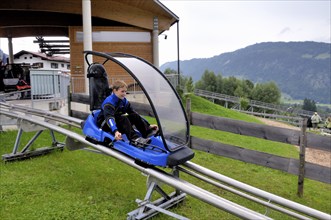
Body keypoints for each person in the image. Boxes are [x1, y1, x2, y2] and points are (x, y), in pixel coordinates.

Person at [97, 80, 158, 146]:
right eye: (122, 91)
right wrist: (115, 131)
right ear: (114, 91)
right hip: (106, 124)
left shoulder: (123, 101)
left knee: (134, 115)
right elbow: (109, 118)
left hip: (117, 121)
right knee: (123, 118)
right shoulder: (109, 103)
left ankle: (147, 132)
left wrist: (148, 125)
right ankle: (135, 139)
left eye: (125, 91)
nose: (124, 94)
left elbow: (133, 113)